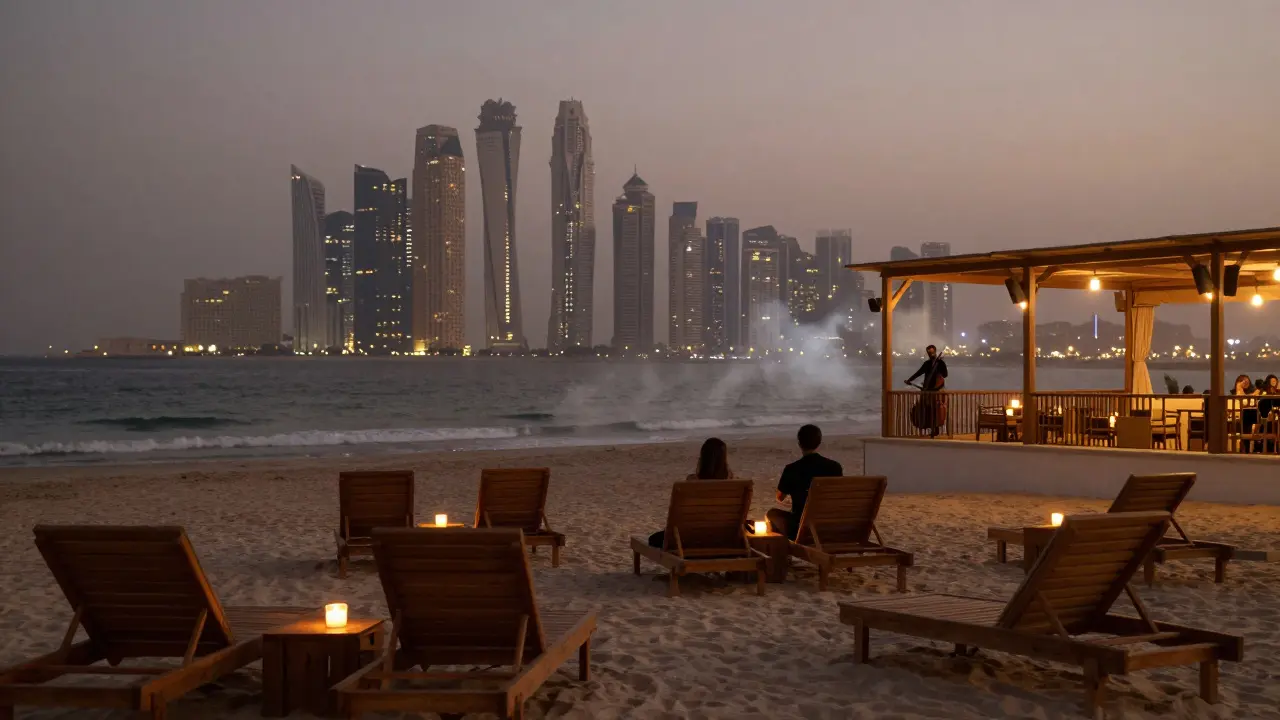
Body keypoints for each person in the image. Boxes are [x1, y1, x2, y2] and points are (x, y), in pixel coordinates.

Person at [649, 438, 733, 548]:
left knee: (653, 539)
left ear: (703, 458)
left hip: (692, 538)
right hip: (723, 537)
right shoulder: (732, 485)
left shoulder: (692, 482)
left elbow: (681, 513)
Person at [766, 425, 842, 540]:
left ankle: (786, 548)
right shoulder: (835, 467)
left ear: (799, 443)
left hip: (801, 525)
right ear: (819, 443)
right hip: (829, 523)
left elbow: (780, 497)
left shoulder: (792, 469)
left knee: (771, 514)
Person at [904, 345, 948, 437]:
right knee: (927, 408)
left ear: (935, 352)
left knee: (935, 409)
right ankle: (929, 426)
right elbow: (919, 372)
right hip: (927, 390)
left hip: (937, 391)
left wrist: (939, 367)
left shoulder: (940, 363)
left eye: (932, 352)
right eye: (929, 353)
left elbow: (945, 375)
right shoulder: (927, 364)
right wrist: (910, 380)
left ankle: (935, 428)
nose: (931, 354)